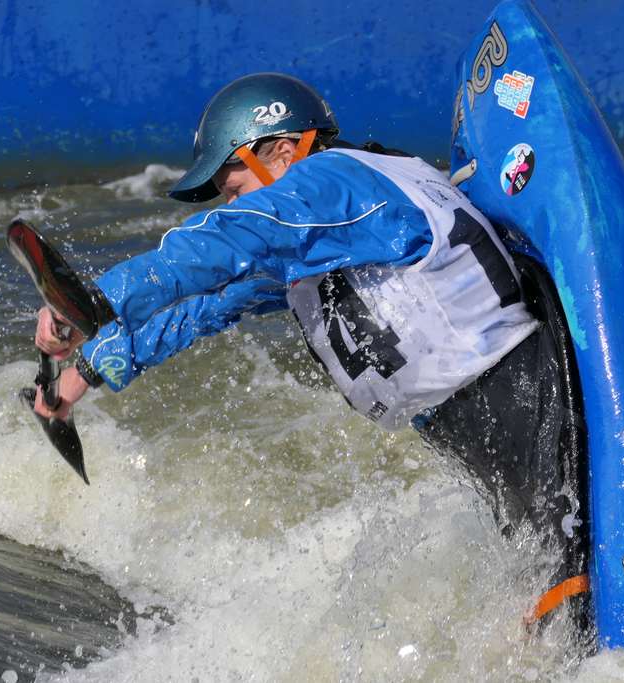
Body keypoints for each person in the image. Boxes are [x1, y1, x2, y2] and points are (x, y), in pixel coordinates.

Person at [32, 72, 591, 638]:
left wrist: (96, 300)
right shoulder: (325, 231)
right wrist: (84, 371)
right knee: (544, 598)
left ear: (282, 150)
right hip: (470, 417)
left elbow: (235, 236)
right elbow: (211, 304)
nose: (231, 198)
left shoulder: (336, 181)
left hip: (517, 392)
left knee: (569, 599)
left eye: (232, 184)